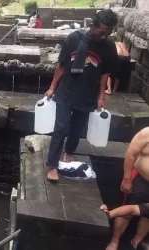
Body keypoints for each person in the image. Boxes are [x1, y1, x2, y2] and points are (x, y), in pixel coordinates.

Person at [44, 10, 118, 181]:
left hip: (87, 93)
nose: (104, 36)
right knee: (61, 128)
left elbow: (104, 73)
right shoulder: (74, 38)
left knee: (77, 127)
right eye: (101, 32)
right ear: (92, 26)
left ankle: (69, 151)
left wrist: (101, 97)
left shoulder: (108, 46)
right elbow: (61, 65)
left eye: (108, 33)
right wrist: (52, 87)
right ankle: (53, 165)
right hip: (67, 90)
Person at [103, 127, 149, 250]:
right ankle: (114, 241)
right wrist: (127, 179)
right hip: (140, 179)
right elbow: (130, 153)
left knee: (147, 216)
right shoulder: (146, 133)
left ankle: (136, 242)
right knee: (127, 212)